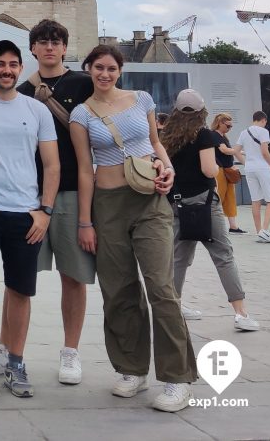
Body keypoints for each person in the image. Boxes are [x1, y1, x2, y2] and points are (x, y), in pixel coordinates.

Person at [70, 44, 196, 413]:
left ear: (119, 70)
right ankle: (131, 368)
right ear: (89, 70)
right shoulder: (81, 114)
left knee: (161, 287)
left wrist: (168, 168)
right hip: (107, 205)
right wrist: (85, 222)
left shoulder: (141, 99)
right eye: (98, 68)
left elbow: (156, 143)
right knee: (119, 289)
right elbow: (83, 169)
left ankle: (177, 378)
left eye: (110, 68)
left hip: (149, 201)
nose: (104, 74)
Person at [0, 40, 59, 401]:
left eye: (13, 64)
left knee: (20, 290)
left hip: (26, 214)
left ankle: (16, 361)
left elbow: (52, 164)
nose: (6, 70)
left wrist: (45, 210)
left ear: (21, 69)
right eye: (0, 63)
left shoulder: (37, 110)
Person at [11, 19, 94, 385]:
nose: (49, 47)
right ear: (32, 49)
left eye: (55, 41)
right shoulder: (22, 90)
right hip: (30, 192)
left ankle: (71, 352)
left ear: (64, 47)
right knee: (18, 277)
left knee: (73, 276)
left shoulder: (84, 84)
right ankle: (8, 349)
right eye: (42, 42)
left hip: (74, 191)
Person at [161, 89, 260, 332]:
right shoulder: (203, 135)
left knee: (178, 259)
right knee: (223, 256)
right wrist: (216, 167)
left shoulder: (167, 136)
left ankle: (175, 308)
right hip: (203, 203)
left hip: (175, 203)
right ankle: (240, 313)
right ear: (201, 111)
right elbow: (208, 170)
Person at [232, 112, 270, 243]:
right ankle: (265, 231)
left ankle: (259, 231)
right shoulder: (263, 131)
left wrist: (246, 162)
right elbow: (264, 151)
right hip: (263, 168)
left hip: (250, 169)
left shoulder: (244, 132)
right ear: (264, 120)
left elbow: (236, 151)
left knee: (256, 200)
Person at [209, 113, 245, 234]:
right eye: (228, 126)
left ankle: (233, 226)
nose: (229, 128)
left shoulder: (223, 136)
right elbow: (224, 150)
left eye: (231, 126)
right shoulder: (214, 135)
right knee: (219, 196)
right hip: (219, 170)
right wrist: (239, 150)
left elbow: (229, 152)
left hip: (227, 170)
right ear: (220, 123)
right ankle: (213, 225)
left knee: (230, 197)